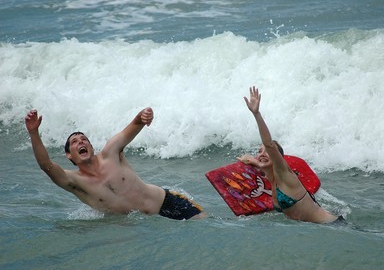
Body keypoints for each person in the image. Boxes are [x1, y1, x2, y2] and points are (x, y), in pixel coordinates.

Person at [25, 107, 205, 220]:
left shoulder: (111, 152)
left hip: (167, 203)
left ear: (91, 146)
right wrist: (34, 133)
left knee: (205, 226)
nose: (81, 142)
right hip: (144, 226)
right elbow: (45, 165)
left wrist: (143, 115)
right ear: (69, 156)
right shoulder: (74, 182)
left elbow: (133, 125)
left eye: (84, 139)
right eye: (74, 142)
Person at [237, 86, 342, 224]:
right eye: (259, 151)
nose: (262, 153)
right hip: (311, 229)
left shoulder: (285, 174)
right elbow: (263, 164)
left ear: (277, 158)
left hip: (332, 225)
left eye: (267, 152)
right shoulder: (271, 176)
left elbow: (269, 143)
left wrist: (256, 114)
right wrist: (253, 162)